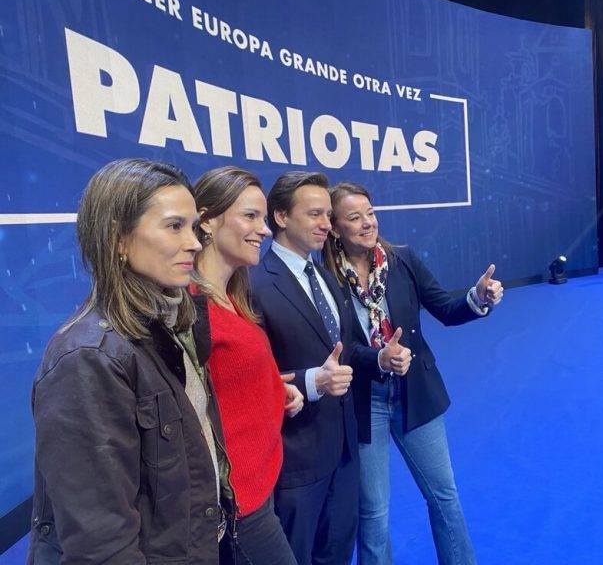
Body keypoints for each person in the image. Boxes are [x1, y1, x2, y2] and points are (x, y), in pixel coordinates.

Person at [27, 159, 229, 564]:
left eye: (193, 228)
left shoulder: (172, 322)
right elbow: (102, 545)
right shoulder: (87, 359)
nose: (194, 242)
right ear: (118, 239)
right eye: (175, 226)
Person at [322, 182, 503, 565]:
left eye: (370, 213)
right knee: (373, 514)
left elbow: (447, 309)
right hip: (362, 401)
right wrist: (378, 359)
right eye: (354, 217)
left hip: (415, 393)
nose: (368, 223)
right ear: (335, 227)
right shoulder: (323, 276)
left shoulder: (401, 259)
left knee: (444, 496)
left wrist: (478, 298)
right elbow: (334, 346)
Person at [249, 171, 409, 565]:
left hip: (344, 448)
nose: (326, 224)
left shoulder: (322, 274)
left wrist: (379, 359)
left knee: (337, 552)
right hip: (297, 461)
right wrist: (311, 382)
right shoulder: (254, 284)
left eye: (327, 215)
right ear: (281, 217)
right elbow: (252, 375)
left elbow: (344, 349)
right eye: (315, 214)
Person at [192, 166, 305, 564]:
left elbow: (226, 380)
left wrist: (275, 388)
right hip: (239, 505)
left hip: (260, 486)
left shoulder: (232, 297)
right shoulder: (191, 307)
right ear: (206, 220)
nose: (266, 229)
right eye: (250, 216)